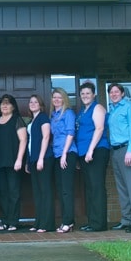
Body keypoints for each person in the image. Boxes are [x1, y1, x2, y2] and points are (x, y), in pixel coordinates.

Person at [107, 83, 131, 233]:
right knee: (122, 187)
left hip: (128, 150)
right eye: (111, 92)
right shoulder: (112, 110)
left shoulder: (129, 108)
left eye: (117, 92)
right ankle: (126, 219)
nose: (114, 94)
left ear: (122, 93)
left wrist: (130, 150)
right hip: (115, 151)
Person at [75, 81, 110, 232]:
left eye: (88, 93)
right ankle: (92, 221)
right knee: (89, 188)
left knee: (96, 187)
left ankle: (99, 224)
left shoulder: (98, 108)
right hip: (84, 153)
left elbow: (99, 128)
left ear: (94, 95)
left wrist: (90, 150)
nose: (85, 96)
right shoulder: (83, 111)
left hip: (97, 151)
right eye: (82, 94)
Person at [0, 94, 28, 231]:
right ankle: (5, 221)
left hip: (14, 162)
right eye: (2, 103)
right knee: (2, 192)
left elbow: (23, 140)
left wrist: (19, 159)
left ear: (13, 106)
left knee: (14, 192)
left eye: (8, 103)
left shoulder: (17, 120)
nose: (5, 106)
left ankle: (13, 222)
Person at [50, 87, 78, 233]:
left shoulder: (68, 113)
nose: (56, 100)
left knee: (67, 189)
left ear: (64, 99)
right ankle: (66, 220)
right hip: (56, 154)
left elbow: (70, 133)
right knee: (61, 190)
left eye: (59, 97)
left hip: (67, 154)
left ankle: (68, 222)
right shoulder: (53, 115)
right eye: (54, 97)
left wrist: (65, 154)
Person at [25, 94, 55, 233]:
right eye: (31, 102)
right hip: (33, 159)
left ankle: (47, 224)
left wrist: (41, 158)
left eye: (35, 102)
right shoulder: (33, 120)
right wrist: (28, 161)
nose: (33, 104)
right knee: (37, 192)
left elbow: (46, 137)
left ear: (41, 105)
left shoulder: (43, 117)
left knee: (45, 191)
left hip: (44, 159)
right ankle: (38, 222)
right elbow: (30, 142)